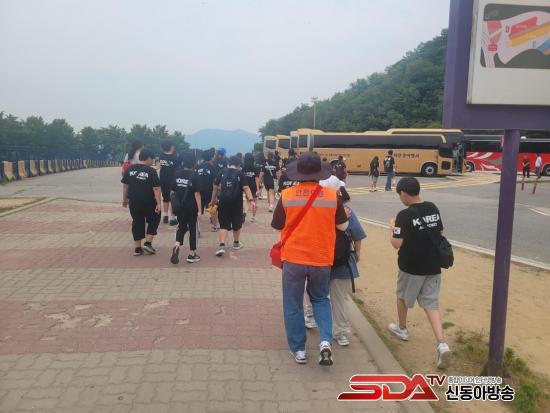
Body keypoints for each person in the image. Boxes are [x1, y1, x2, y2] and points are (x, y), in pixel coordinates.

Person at [271, 152, 349, 366]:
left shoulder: (287, 195)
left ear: (299, 173)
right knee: (321, 299)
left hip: (293, 258)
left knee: (293, 303)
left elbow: (277, 225)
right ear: (319, 173)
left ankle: (299, 350)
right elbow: (343, 227)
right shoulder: (332, 196)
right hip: (321, 259)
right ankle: (325, 342)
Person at [389, 177, 451, 369]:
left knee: (402, 296)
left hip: (411, 266)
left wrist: (392, 229)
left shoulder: (403, 215)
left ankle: (402, 328)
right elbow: (440, 232)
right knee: (431, 304)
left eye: (400, 195)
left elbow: (396, 243)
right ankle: (442, 343)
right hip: (433, 265)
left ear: (403, 193)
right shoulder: (432, 207)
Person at [330, 207, 366, 346]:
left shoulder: (314, 206)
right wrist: (357, 253)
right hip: (343, 262)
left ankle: (311, 317)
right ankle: (341, 332)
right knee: (340, 298)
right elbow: (357, 234)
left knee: (316, 294)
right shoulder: (345, 210)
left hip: (318, 260)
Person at [210, 156, 256, 256]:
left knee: (223, 224)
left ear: (229, 163)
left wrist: (212, 200)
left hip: (223, 201)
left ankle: (222, 246)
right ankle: (236, 243)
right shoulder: (240, 173)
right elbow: (246, 187)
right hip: (236, 202)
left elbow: (215, 187)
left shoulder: (222, 172)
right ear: (239, 165)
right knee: (236, 223)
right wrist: (251, 200)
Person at [121, 149, 161, 256]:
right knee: (154, 218)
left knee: (137, 221)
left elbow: (125, 186)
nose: (153, 161)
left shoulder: (130, 169)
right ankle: (148, 243)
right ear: (148, 158)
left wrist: (125, 199)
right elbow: (156, 188)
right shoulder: (151, 171)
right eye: (152, 159)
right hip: (149, 201)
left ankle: (137, 249)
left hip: (134, 201)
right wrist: (159, 203)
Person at [170, 152, 202, 264]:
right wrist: (200, 210)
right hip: (191, 207)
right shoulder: (195, 175)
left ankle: (176, 245)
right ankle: (192, 254)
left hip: (180, 206)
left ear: (183, 162)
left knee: (181, 226)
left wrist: (172, 209)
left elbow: (172, 192)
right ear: (194, 163)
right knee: (193, 229)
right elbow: (197, 194)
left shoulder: (177, 174)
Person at [196, 149, 219, 231]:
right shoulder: (213, 168)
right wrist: (215, 196)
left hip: (198, 192)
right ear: (211, 158)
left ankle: (197, 228)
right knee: (212, 209)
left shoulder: (198, 167)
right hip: (210, 191)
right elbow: (215, 183)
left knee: (198, 210)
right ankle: (215, 226)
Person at [159, 140, 179, 225]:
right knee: (173, 199)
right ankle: (173, 218)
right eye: (173, 146)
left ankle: (165, 216)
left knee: (165, 198)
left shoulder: (161, 156)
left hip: (163, 180)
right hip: (173, 181)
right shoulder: (175, 157)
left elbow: (160, 167)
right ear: (171, 147)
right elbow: (177, 170)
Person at [242, 153, 260, 223]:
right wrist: (258, 189)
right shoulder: (255, 168)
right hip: (253, 186)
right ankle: (253, 217)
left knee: (248, 201)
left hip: (246, 186)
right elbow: (256, 179)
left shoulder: (243, 168)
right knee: (254, 201)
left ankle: (245, 212)